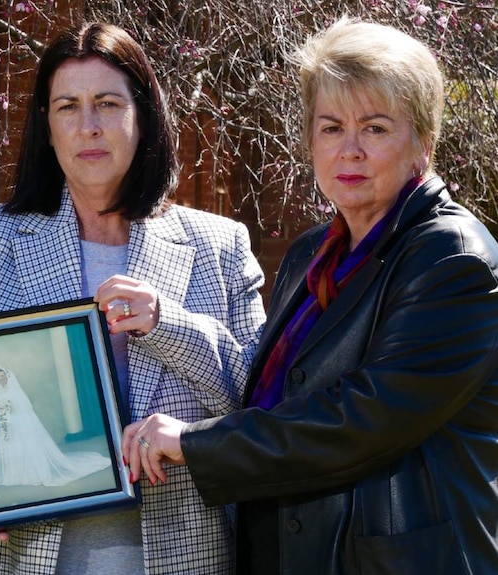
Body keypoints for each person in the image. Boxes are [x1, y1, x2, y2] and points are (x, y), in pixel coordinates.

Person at [123, 17, 498, 575]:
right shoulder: (311, 254)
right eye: (330, 128)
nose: (349, 150)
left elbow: (363, 419)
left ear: (422, 141)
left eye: (374, 128)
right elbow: (266, 390)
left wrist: (197, 443)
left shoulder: (451, 257)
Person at [0, 22, 266, 575]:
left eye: (108, 103)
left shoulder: (219, 245)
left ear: (143, 119)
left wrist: (169, 325)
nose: (88, 126)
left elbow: (263, 403)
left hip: (178, 556)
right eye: (67, 106)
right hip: (13, 556)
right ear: (46, 128)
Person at [0, 367, 110, 487]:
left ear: (7, 376)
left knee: (28, 444)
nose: (1, 378)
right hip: (7, 423)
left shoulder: (14, 389)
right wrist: (0, 410)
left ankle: (35, 472)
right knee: (13, 445)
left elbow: (25, 406)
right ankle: (16, 472)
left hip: (20, 420)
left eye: (2, 375)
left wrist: (10, 407)